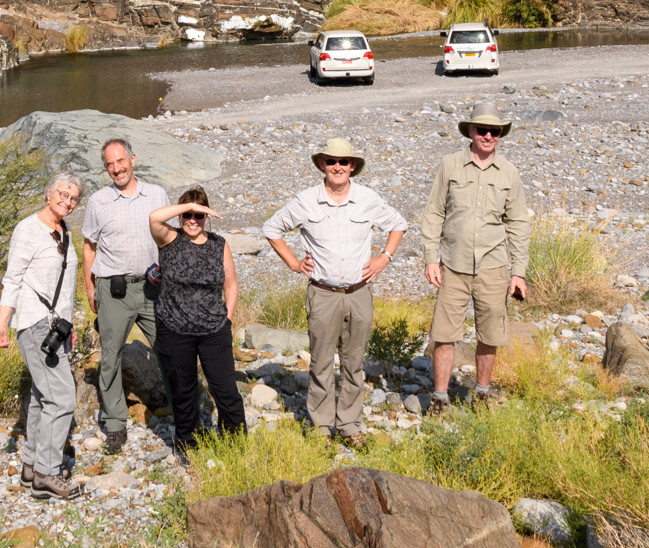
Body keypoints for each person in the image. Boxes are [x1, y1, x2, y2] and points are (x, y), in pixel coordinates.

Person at [263, 138, 408, 444]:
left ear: (353, 166)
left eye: (343, 162)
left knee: (355, 363)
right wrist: (293, 262)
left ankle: (351, 426)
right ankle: (321, 428)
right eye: (331, 162)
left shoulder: (367, 198)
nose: (338, 167)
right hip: (323, 294)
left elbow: (398, 224)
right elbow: (271, 229)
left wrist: (384, 258)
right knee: (321, 363)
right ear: (322, 165)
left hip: (359, 293)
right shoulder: (305, 201)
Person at [420, 110, 531, 409]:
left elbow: (518, 223)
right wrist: (431, 258)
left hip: (494, 267)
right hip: (453, 266)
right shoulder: (450, 165)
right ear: (470, 130)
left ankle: (481, 394)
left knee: (490, 333)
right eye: (482, 129)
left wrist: (518, 272)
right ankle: (440, 399)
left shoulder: (509, 172)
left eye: (495, 131)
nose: (488, 136)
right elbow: (434, 213)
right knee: (443, 334)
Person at [0, 173, 86, 501]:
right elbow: (12, 280)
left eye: (73, 198)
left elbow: (65, 289)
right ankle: (46, 473)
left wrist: (68, 327)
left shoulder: (66, 229)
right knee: (62, 397)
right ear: (48, 193)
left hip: (56, 328)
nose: (67, 201)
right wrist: (2, 325)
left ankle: (31, 464)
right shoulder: (27, 229)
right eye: (62, 194)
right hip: (32, 323)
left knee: (44, 395)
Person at [80, 137, 168, 454]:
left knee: (171, 349)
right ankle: (116, 425)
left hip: (151, 287)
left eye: (121, 161)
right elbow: (89, 246)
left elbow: (167, 240)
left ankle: (185, 415)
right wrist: (90, 287)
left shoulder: (157, 194)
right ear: (106, 168)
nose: (117, 168)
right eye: (110, 164)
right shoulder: (98, 202)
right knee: (110, 357)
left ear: (133, 158)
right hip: (112, 288)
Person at [147, 186, 246, 451]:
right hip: (175, 329)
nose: (193, 220)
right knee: (184, 391)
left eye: (199, 216)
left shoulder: (218, 244)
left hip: (214, 329)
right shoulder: (169, 239)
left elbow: (231, 284)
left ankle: (235, 445)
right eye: (187, 215)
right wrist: (192, 206)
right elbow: (154, 218)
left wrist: (227, 318)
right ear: (179, 217)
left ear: (206, 218)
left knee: (226, 390)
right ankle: (187, 445)